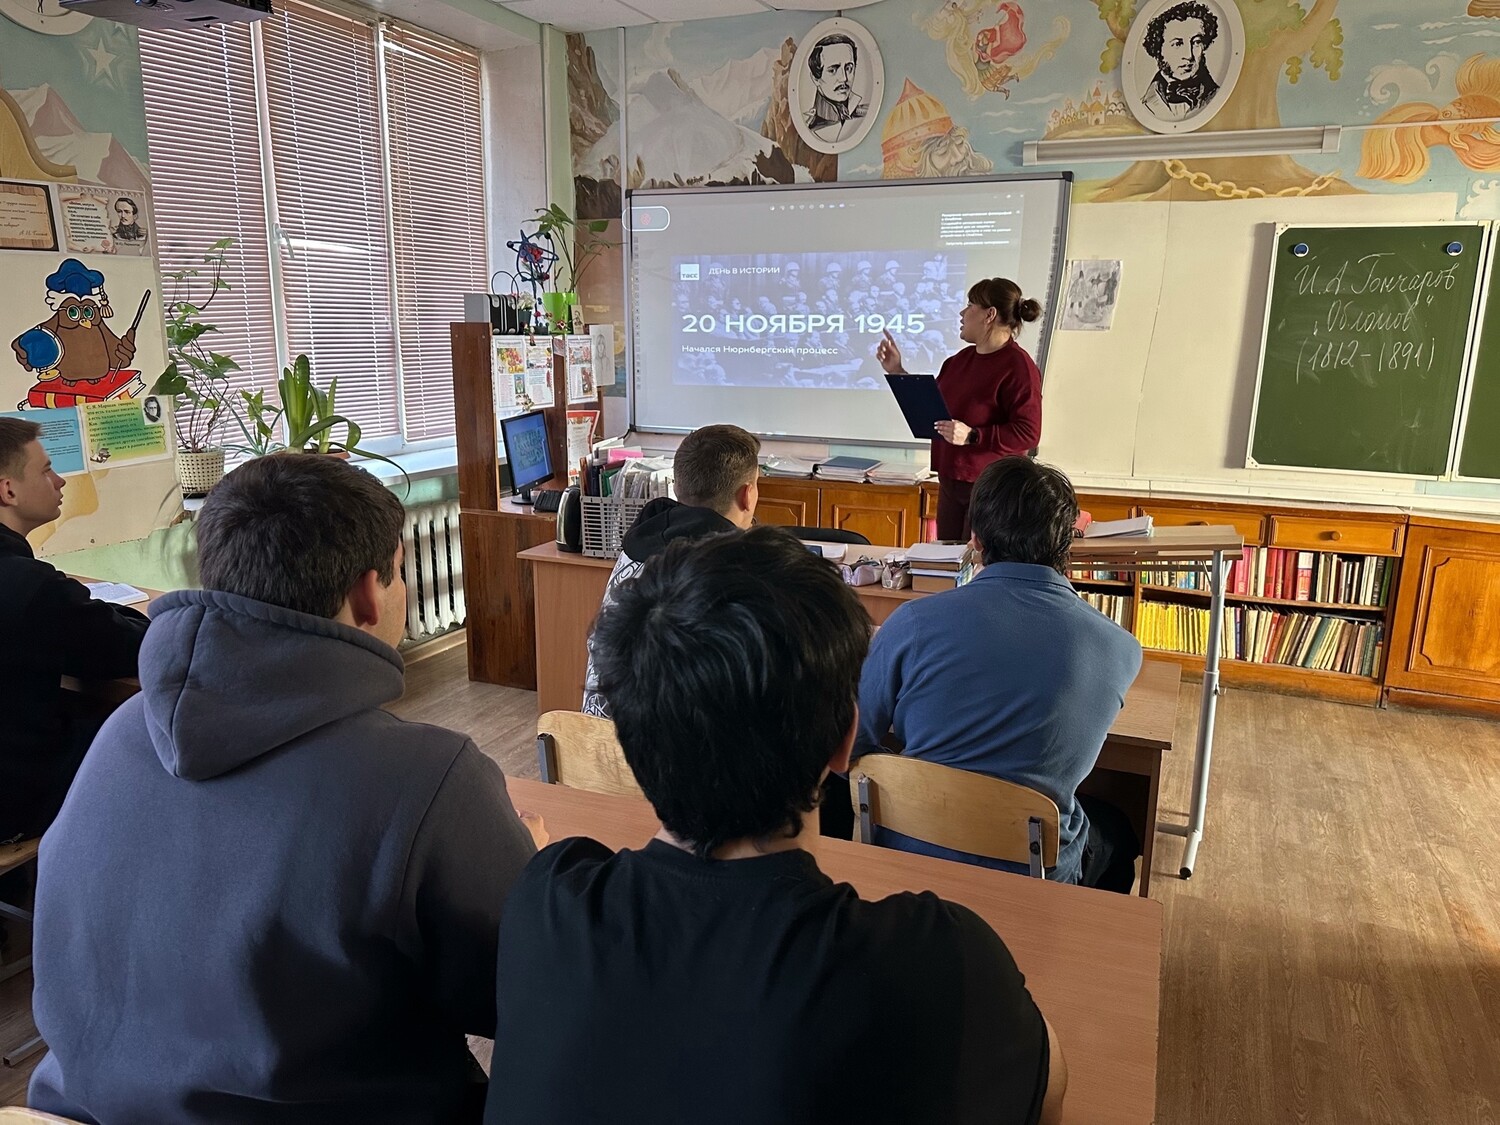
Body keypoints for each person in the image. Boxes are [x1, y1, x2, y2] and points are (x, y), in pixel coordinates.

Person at [487, 527, 1066, 1125]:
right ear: (845, 738)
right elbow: (1048, 1094)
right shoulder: (937, 965)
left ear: (631, 743)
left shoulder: (542, 903)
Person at [29, 454, 539, 1125]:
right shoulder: (429, 775)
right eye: (403, 569)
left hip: (84, 1109)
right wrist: (539, 890)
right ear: (369, 594)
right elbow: (524, 995)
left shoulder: (120, 732)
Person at [855, 457, 1143, 892]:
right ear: (1070, 540)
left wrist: (906, 782)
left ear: (975, 538)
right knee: (1118, 830)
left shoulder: (911, 623)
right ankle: (1078, 933)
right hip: (1032, 871)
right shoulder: (1120, 648)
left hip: (910, 855)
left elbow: (851, 745)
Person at [0, 416, 147, 844]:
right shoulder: (31, 588)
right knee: (147, 735)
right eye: (46, 470)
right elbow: (133, 647)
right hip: (17, 801)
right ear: (8, 491)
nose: (60, 481)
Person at [580, 423, 759, 718]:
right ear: (747, 495)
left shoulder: (638, 544)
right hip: (673, 741)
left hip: (594, 735)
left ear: (676, 488)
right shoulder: (734, 572)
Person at [877, 277, 1043, 540]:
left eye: (970, 305)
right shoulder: (958, 361)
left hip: (990, 489)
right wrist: (897, 371)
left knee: (973, 561)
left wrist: (973, 436)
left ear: (989, 315)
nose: (962, 313)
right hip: (950, 481)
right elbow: (933, 408)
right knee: (945, 558)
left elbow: (1029, 433)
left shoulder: (1019, 367)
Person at [1140, 1, 1220, 121]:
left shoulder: (1217, 95)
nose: (1188, 55)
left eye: (1196, 42)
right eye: (1177, 44)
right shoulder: (1144, 105)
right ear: (1158, 49)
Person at [804, 32, 867, 144]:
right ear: (815, 79)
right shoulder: (808, 126)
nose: (844, 78)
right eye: (833, 70)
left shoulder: (865, 113)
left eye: (849, 68)